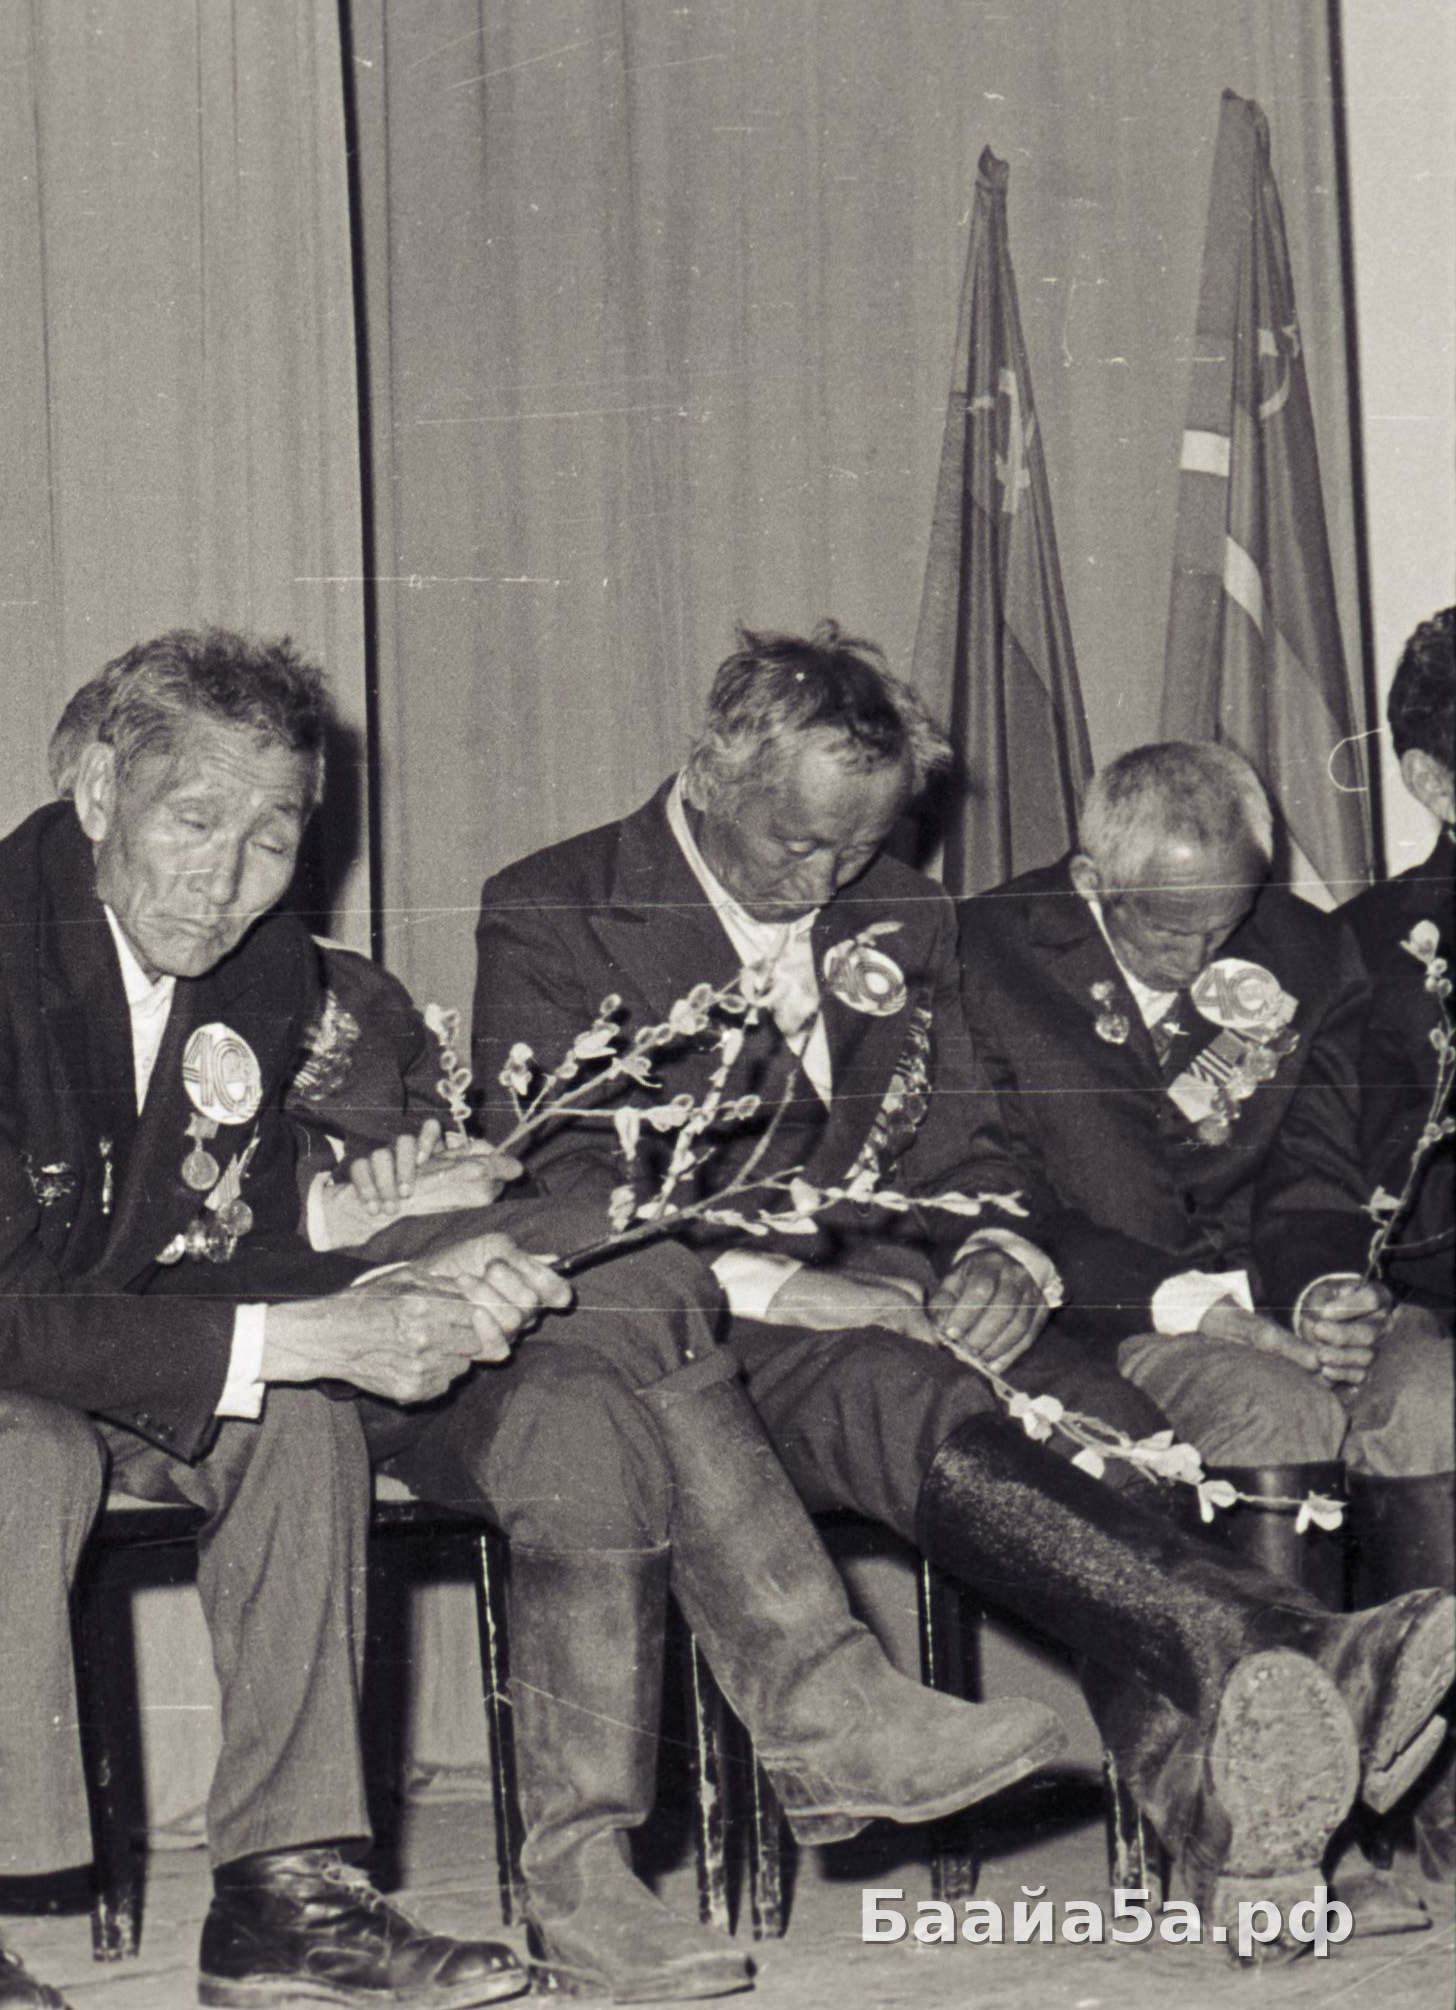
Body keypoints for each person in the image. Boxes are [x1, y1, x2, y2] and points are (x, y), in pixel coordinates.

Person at [0, 631, 1054, 2010]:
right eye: (194, 822)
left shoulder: (258, 965)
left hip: (74, 1338)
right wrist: (316, 1326)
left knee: (346, 1398)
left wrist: (367, 1252)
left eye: (272, 839)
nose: (228, 881)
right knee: (30, 1448)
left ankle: (286, 1895)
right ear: (99, 789)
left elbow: (201, 1238)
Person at [474, 624, 1456, 1935]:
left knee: (1118, 1422)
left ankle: (1239, 1833)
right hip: (702, 1332)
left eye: (858, 847)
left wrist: (1000, 1250)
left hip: (908, 1302)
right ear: (709, 773)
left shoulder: (904, 907)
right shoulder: (554, 906)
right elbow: (563, 1187)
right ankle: (1299, 1656)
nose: (827, 881)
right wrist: (783, 1291)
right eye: (798, 844)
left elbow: (975, 1150)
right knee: (900, 1387)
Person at [960, 741, 1449, 1552]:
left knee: (1436, 1394)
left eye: (1225, 926)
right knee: (1273, 1408)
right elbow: (1002, 1200)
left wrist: (1322, 1292)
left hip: (1274, 1298)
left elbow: (1314, 1173)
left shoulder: (1312, 954)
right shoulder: (978, 955)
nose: (1197, 962)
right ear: (1090, 880)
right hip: (1102, 1319)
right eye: (1166, 930)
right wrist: (1194, 1310)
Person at [1336, 607, 1456, 1890]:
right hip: (1433, 1297)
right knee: (1419, 1409)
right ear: (1431, 780)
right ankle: (1443, 1784)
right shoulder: (1371, 949)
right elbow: (1347, 1190)